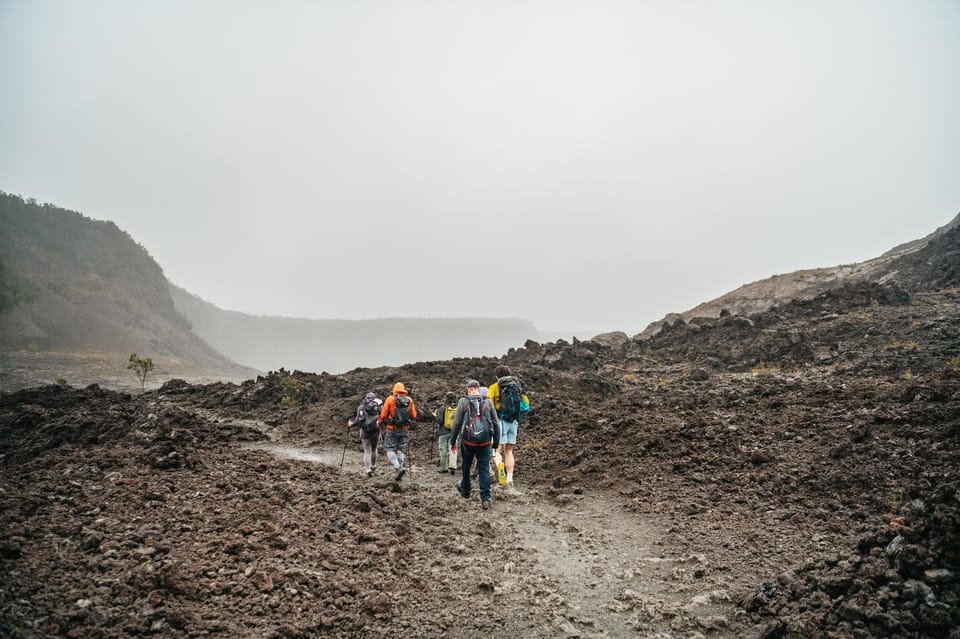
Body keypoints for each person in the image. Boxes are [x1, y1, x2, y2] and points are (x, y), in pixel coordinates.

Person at [449, 379, 499, 509]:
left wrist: (452, 441)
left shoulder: (463, 401)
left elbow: (457, 423)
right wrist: (496, 442)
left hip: (468, 441)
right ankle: (486, 498)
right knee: (484, 468)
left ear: (468, 390)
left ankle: (466, 490)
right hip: (485, 442)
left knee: (466, 465)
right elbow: (495, 423)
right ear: (478, 389)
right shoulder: (488, 401)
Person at [486, 365, 529, 493]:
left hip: (500, 421)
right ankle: (510, 480)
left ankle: (499, 465)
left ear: (496, 376)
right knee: (509, 451)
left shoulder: (495, 387)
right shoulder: (517, 386)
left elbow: (488, 404)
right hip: (514, 421)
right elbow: (526, 403)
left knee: (495, 450)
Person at [378, 382, 417, 481]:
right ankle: (401, 468)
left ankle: (398, 468)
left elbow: (383, 414)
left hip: (392, 429)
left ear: (394, 390)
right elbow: (414, 416)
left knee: (389, 449)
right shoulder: (409, 400)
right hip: (404, 429)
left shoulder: (390, 399)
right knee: (400, 450)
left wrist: (379, 422)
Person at [347, 391, 382, 478]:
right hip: (375, 431)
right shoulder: (378, 406)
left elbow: (358, 421)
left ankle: (368, 470)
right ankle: (373, 466)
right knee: (374, 449)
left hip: (365, 432)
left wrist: (351, 424)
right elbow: (383, 418)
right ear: (375, 399)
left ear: (366, 398)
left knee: (367, 451)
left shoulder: (361, 407)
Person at [433, 391, 459, 474]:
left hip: (443, 433)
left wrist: (435, 415)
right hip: (454, 432)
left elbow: (440, 421)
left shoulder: (442, 408)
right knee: (453, 449)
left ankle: (443, 468)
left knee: (443, 450)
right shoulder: (457, 408)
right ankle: (452, 466)